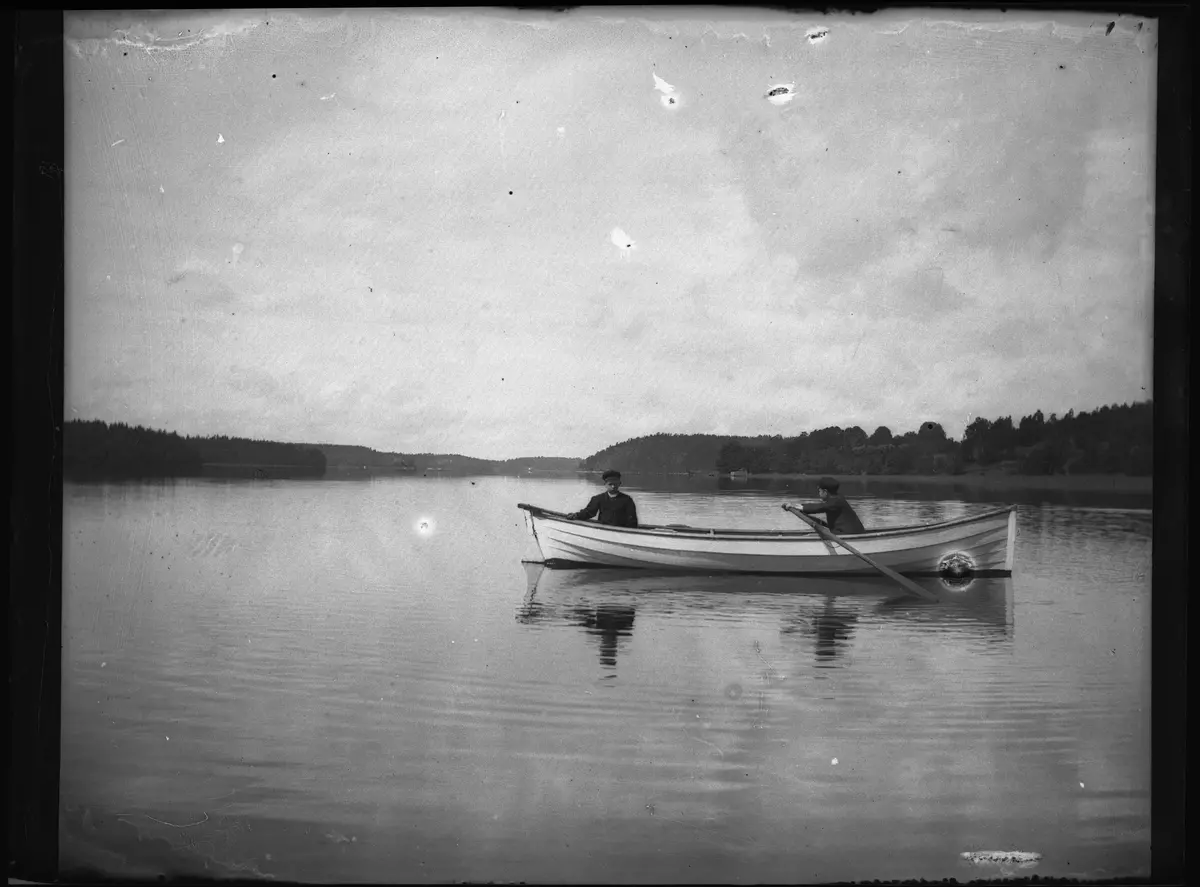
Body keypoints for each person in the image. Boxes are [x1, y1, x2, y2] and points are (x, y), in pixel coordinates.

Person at [564, 469, 638, 527]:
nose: (613, 486)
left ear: (619, 484)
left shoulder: (627, 500)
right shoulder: (598, 499)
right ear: (605, 484)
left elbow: (632, 520)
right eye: (610, 484)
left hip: (621, 531)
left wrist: (629, 533)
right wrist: (576, 515)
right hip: (602, 529)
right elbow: (589, 512)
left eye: (615, 484)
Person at [796, 476, 865, 535]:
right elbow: (821, 506)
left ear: (825, 492)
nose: (819, 493)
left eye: (819, 491)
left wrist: (803, 507)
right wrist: (802, 508)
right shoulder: (837, 499)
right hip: (845, 532)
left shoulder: (836, 501)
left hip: (849, 534)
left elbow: (821, 507)